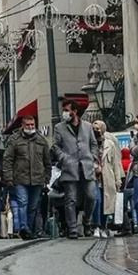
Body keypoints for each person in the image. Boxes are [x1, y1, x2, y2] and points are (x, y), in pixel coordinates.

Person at [52, 100, 98, 239]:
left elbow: (94, 144)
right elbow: (55, 146)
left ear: (75, 111)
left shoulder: (88, 126)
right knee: (70, 199)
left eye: (67, 110)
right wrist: (64, 158)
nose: (64, 113)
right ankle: (72, 228)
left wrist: (93, 157)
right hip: (69, 168)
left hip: (87, 167)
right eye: (64, 110)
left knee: (91, 196)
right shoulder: (59, 127)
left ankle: (87, 221)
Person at [4, 116, 51, 240]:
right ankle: (23, 228)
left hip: (38, 179)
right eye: (28, 125)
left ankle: (28, 229)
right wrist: (9, 177)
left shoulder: (41, 140)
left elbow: (47, 161)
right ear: (22, 126)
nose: (30, 127)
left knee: (33, 206)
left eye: (32, 125)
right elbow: (8, 159)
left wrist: (47, 177)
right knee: (22, 202)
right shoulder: (14, 140)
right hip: (20, 179)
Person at [92, 120, 124, 238]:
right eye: (94, 129)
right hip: (94, 177)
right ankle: (96, 225)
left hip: (107, 177)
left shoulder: (110, 144)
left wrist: (118, 179)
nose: (96, 131)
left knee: (106, 204)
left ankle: (103, 227)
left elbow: (116, 163)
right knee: (97, 201)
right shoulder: (91, 143)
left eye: (98, 128)